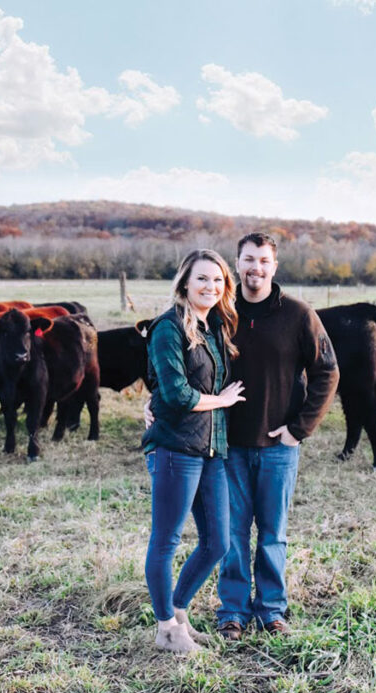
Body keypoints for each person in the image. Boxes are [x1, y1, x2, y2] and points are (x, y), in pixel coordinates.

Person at [215, 232, 339, 640]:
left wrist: (299, 429)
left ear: (275, 265)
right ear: (237, 263)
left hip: (278, 448)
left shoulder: (299, 315)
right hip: (228, 445)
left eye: (264, 261)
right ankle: (232, 610)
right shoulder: (220, 313)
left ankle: (271, 610)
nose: (256, 268)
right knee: (231, 534)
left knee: (272, 534)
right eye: (249, 260)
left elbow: (328, 371)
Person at [142, 249, 246, 653]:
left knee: (217, 541)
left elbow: (162, 384)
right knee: (165, 541)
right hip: (175, 447)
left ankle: (179, 614)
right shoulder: (168, 327)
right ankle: (166, 629)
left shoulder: (215, 326)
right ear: (185, 281)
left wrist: (154, 396)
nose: (211, 287)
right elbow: (177, 392)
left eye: (218, 280)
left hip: (212, 448)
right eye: (203, 279)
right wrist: (220, 400)